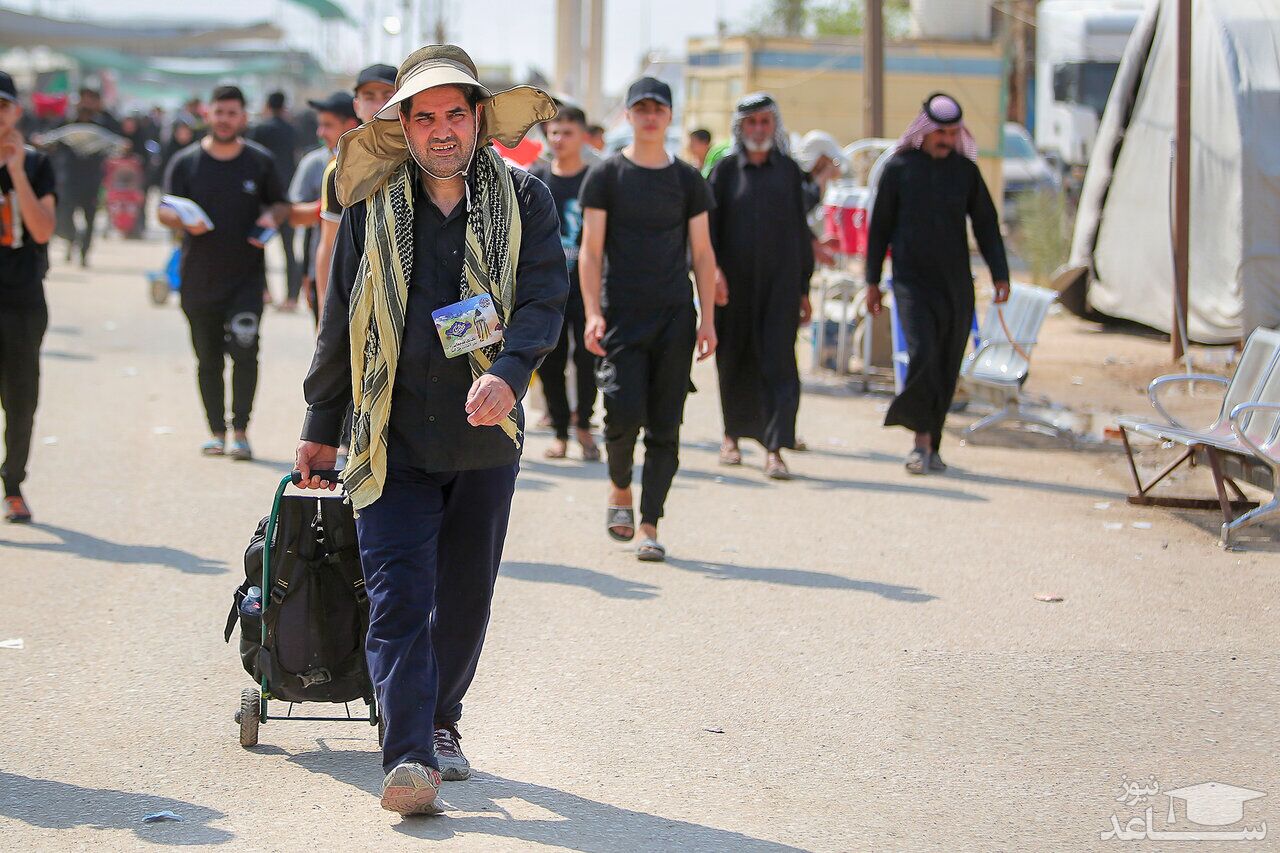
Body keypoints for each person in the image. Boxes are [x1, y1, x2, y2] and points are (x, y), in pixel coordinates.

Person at [294, 44, 565, 816]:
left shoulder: (525, 200)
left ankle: (442, 715)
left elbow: (545, 298)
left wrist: (508, 374)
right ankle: (408, 755)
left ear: (479, 119)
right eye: (425, 117)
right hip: (391, 435)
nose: (442, 130)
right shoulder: (370, 204)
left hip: (485, 438)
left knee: (466, 595)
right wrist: (320, 419)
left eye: (455, 113)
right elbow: (341, 316)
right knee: (399, 596)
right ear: (403, 128)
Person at [579, 76, 717, 562]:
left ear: (670, 116)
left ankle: (650, 523)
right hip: (620, 317)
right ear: (629, 115)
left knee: (665, 425)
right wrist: (593, 312)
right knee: (621, 416)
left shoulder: (687, 180)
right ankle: (620, 488)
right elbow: (591, 252)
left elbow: (702, 253)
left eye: (659, 107)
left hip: (675, 318)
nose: (650, 115)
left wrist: (707, 320)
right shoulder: (607, 176)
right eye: (641, 107)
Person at [865, 93, 1010, 475]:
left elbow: (986, 227)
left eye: (951, 133)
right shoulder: (899, 168)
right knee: (923, 353)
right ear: (924, 131)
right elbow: (878, 229)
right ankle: (919, 442)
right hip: (911, 283)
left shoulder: (965, 172)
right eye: (939, 132)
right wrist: (872, 281)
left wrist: (1000, 274)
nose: (945, 140)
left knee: (947, 363)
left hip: (956, 285)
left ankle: (934, 443)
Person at [160, 85, 288, 462]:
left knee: (246, 353)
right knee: (209, 359)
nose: (225, 119)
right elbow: (164, 209)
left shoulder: (260, 161)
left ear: (243, 117)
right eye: (219, 112)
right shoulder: (185, 163)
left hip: (247, 280)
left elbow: (280, 203)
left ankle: (242, 432)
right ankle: (216, 432)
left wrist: (271, 217)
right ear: (207, 115)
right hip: (198, 280)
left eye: (232, 113)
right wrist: (183, 221)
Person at [707, 93, 814, 481]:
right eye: (751, 123)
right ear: (740, 128)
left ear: (774, 126)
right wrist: (712, 274)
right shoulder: (724, 172)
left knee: (780, 363)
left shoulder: (788, 171)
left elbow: (801, 234)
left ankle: (775, 448)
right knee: (734, 360)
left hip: (781, 288)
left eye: (765, 122)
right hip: (732, 290)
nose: (758, 130)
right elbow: (707, 234)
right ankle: (732, 435)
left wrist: (804, 288)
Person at [0, 72, 57, 523]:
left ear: (15, 111)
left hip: (21, 298)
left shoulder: (37, 165)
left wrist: (16, 170)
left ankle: (13, 483)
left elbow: (41, 230)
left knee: (21, 400)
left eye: (2, 107)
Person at [529, 106, 600, 462]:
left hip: (586, 287)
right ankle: (559, 431)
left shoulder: (596, 178)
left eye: (567, 132)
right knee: (551, 361)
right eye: (553, 132)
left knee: (588, 360)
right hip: (545, 288)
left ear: (583, 135)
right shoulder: (536, 177)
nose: (558, 139)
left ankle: (584, 426)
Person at [312, 64, 398, 316]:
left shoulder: (426, 158)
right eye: (369, 97)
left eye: (387, 95)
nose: (378, 105)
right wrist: (324, 317)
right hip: (363, 303)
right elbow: (328, 247)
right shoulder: (339, 171)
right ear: (357, 106)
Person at [286, 89, 360, 322]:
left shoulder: (372, 162)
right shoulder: (315, 164)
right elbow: (293, 215)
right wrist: (331, 206)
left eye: (328, 125)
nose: (321, 132)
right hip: (322, 271)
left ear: (349, 124)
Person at [248, 91, 301, 310]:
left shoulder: (260, 129)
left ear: (267, 105)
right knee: (289, 249)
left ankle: (265, 292)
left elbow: (250, 159)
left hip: (265, 197)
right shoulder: (292, 130)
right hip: (288, 196)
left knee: (259, 245)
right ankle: (291, 298)